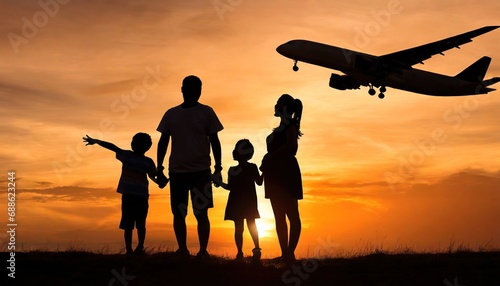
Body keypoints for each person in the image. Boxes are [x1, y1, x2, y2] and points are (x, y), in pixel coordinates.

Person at [156, 75, 223, 259]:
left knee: (201, 213)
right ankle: (183, 249)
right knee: (179, 213)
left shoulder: (207, 112)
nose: (195, 91)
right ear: (183, 90)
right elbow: (163, 141)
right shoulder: (171, 113)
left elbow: (215, 141)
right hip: (177, 171)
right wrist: (159, 167)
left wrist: (218, 168)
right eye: (192, 88)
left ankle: (202, 251)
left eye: (198, 88)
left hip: (201, 171)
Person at [82, 133, 159, 258]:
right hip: (129, 196)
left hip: (142, 197)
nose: (135, 145)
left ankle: (140, 247)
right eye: (134, 142)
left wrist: (160, 182)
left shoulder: (148, 162)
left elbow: (152, 175)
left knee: (140, 224)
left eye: (138, 143)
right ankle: (129, 250)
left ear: (147, 146)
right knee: (128, 224)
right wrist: (96, 141)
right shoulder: (127, 155)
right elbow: (113, 147)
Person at [260, 94, 303, 263]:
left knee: (292, 214)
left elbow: (291, 147)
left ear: (284, 107)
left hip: (286, 174)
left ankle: (290, 253)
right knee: (278, 216)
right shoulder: (279, 129)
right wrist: (266, 165)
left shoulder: (290, 126)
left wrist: (269, 158)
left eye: (278, 103)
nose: (275, 105)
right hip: (273, 176)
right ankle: (284, 253)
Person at [212, 139, 263, 261]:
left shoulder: (232, 170)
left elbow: (229, 187)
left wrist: (218, 181)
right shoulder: (252, 167)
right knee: (251, 225)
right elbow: (260, 182)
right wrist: (264, 170)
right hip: (249, 201)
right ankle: (256, 249)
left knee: (239, 228)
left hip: (236, 202)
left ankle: (240, 253)